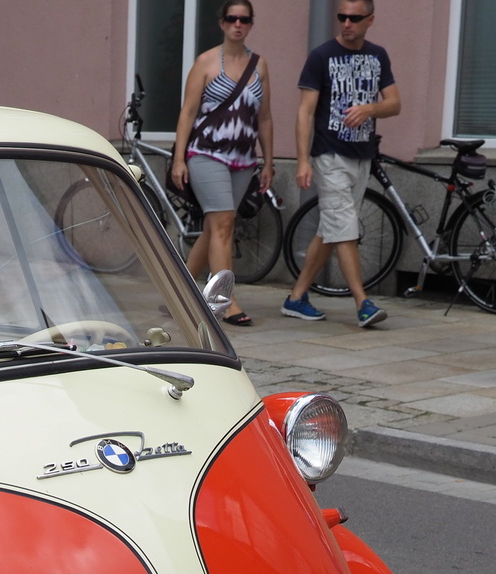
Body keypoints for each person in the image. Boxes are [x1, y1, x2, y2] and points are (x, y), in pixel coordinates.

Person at [282, 0, 400, 328]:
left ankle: (296, 297)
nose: (347, 23)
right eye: (341, 17)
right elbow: (305, 111)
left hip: (361, 156)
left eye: (354, 18)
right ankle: (363, 303)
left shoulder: (378, 56)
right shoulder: (321, 56)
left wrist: (369, 110)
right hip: (328, 154)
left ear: (370, 20)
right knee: (345, 229)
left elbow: (394, 103)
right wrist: (303, 159)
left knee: (332, 228)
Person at [168, 1, 272, 326]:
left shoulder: (260, 65)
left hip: (243, 160)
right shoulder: (206, 62)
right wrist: (178, 158)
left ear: (251, 24)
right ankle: (226, 301)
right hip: (205, 154)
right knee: (225, 225)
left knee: (215, 227)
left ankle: (178, 292)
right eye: (231, 18)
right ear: (222, 23)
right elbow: (187, 112)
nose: (237, 24)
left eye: (244, 19)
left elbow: (265, 118)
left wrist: (268, 161)